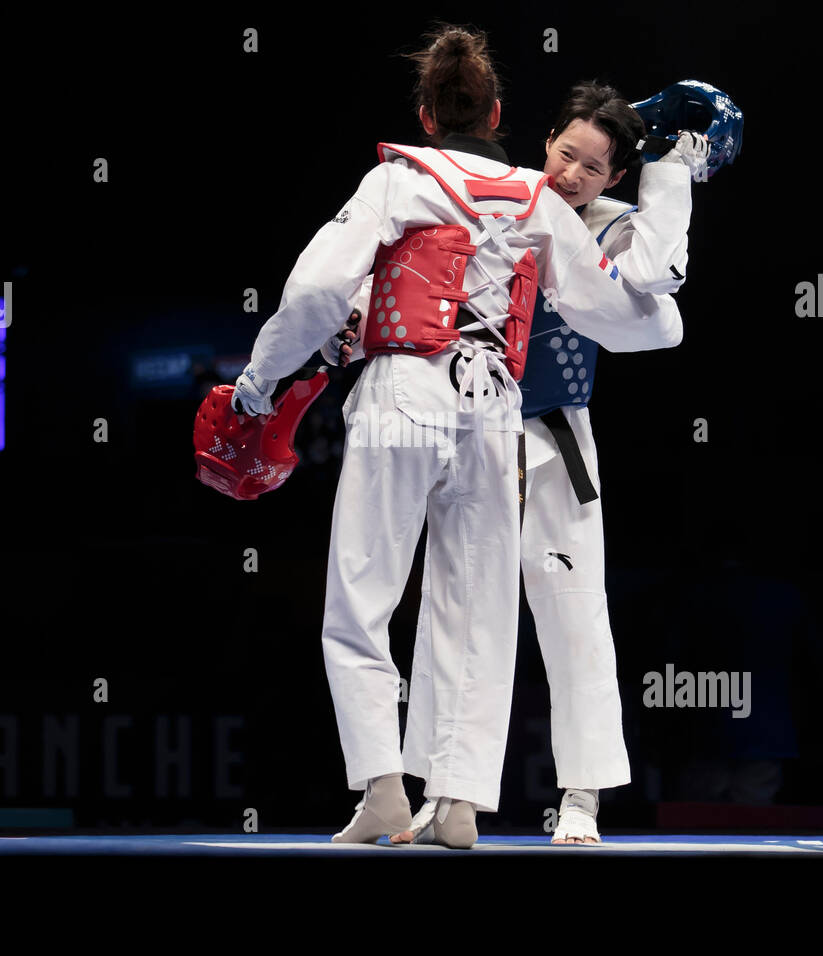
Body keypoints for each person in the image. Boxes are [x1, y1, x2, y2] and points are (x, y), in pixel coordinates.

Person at [233, 29, 685, 848]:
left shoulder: (399, 178)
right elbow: (621, 318)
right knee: (479, 607)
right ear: (510, 119)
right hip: (495, 411)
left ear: (424, 116)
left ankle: (382, 787)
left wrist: (260, 382)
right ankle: (464, 800)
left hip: (406, 394)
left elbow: (313, 288)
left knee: (364, 600)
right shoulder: (535, 195)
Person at [387, 82, 706, 845]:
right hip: (472, 435)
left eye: (593, 168)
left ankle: (583, 797)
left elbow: (662, 302)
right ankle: (442, 791)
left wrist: (670, 172)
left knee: (572, 615)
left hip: (558, 440)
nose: (571, 175)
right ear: (546, 143)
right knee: (451, 611)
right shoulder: (505, 205)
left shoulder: (614, 226)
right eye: (566, 154)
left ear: (614, 179)